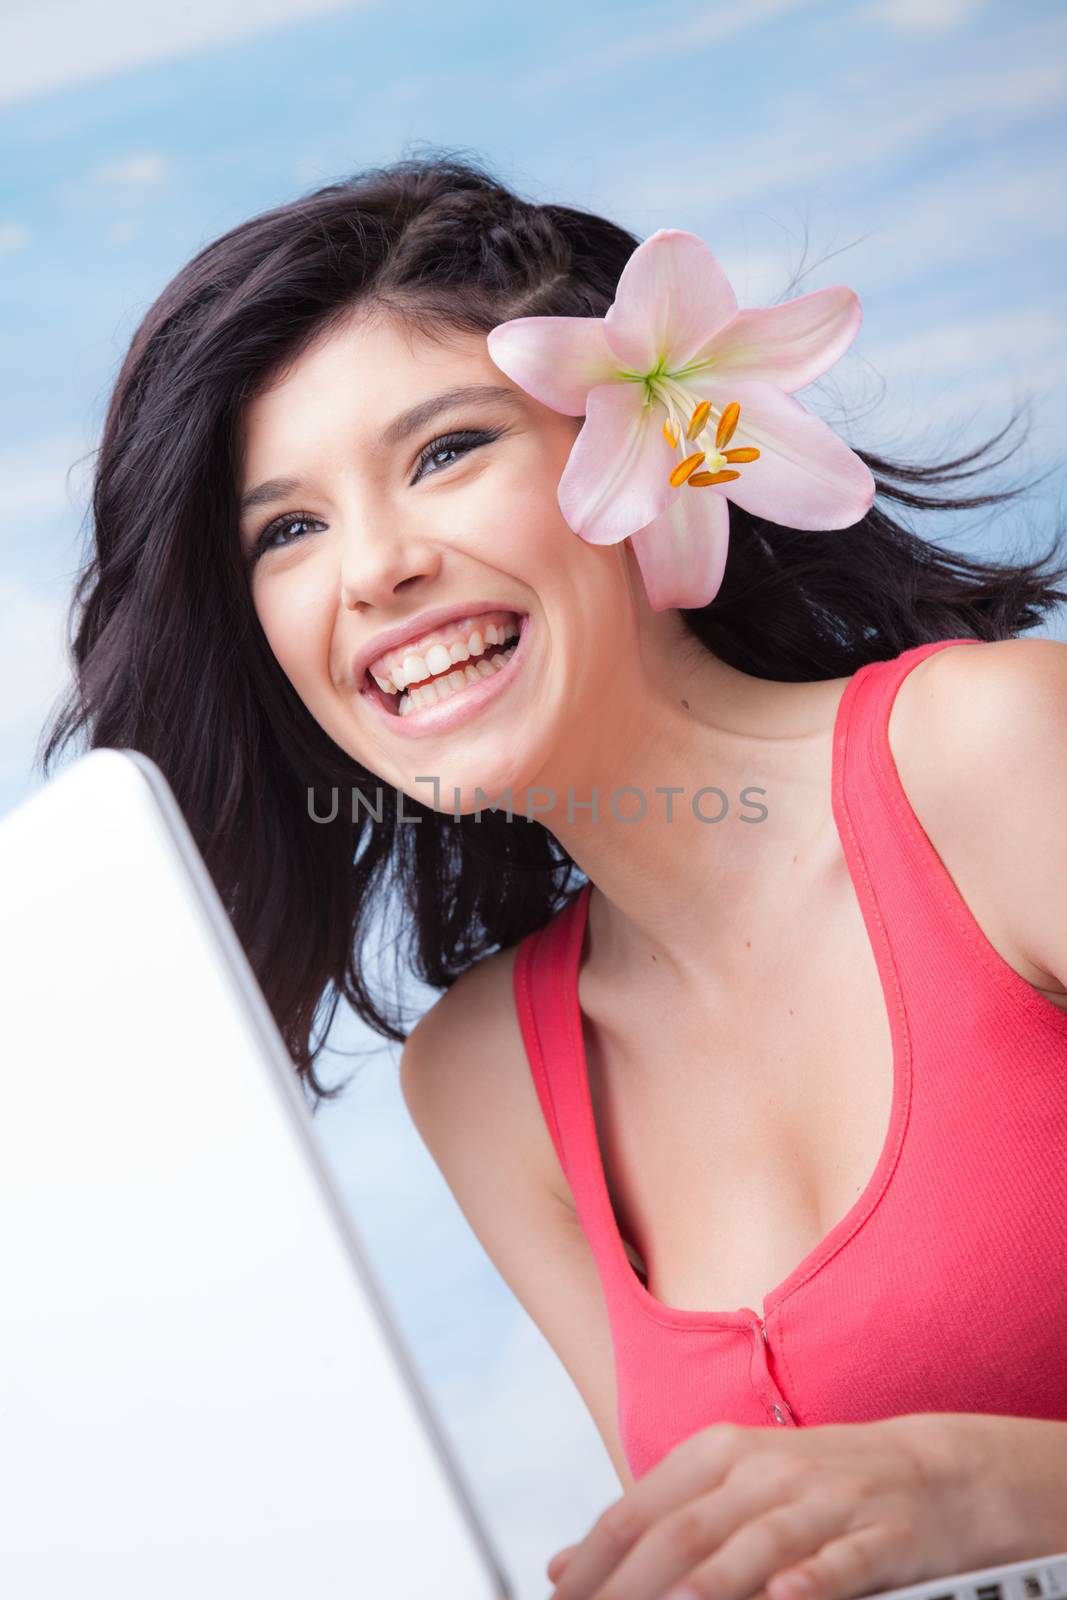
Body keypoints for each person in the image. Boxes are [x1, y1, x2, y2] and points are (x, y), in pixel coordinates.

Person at [40, 152, 1067, 1599]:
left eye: (444, 451)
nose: (372, 570)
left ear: (657, 452)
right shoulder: (488, 1084)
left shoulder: (1001, 762)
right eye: (287, 530)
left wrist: (994, 1486)